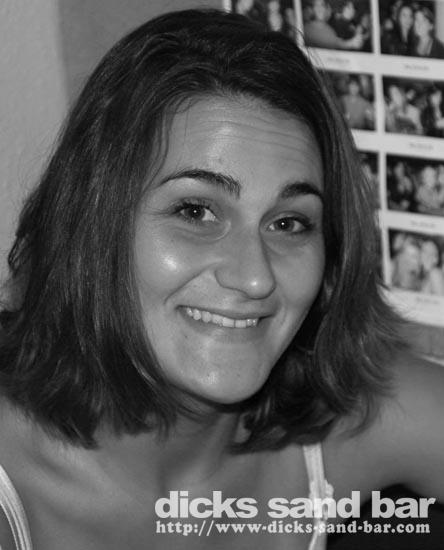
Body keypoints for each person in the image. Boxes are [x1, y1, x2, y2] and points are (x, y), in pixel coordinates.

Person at [0, 8, 443, 550]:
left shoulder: (352, 415)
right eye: (195, 212)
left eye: (288, 223)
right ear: (89, 223)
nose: (254, 277)